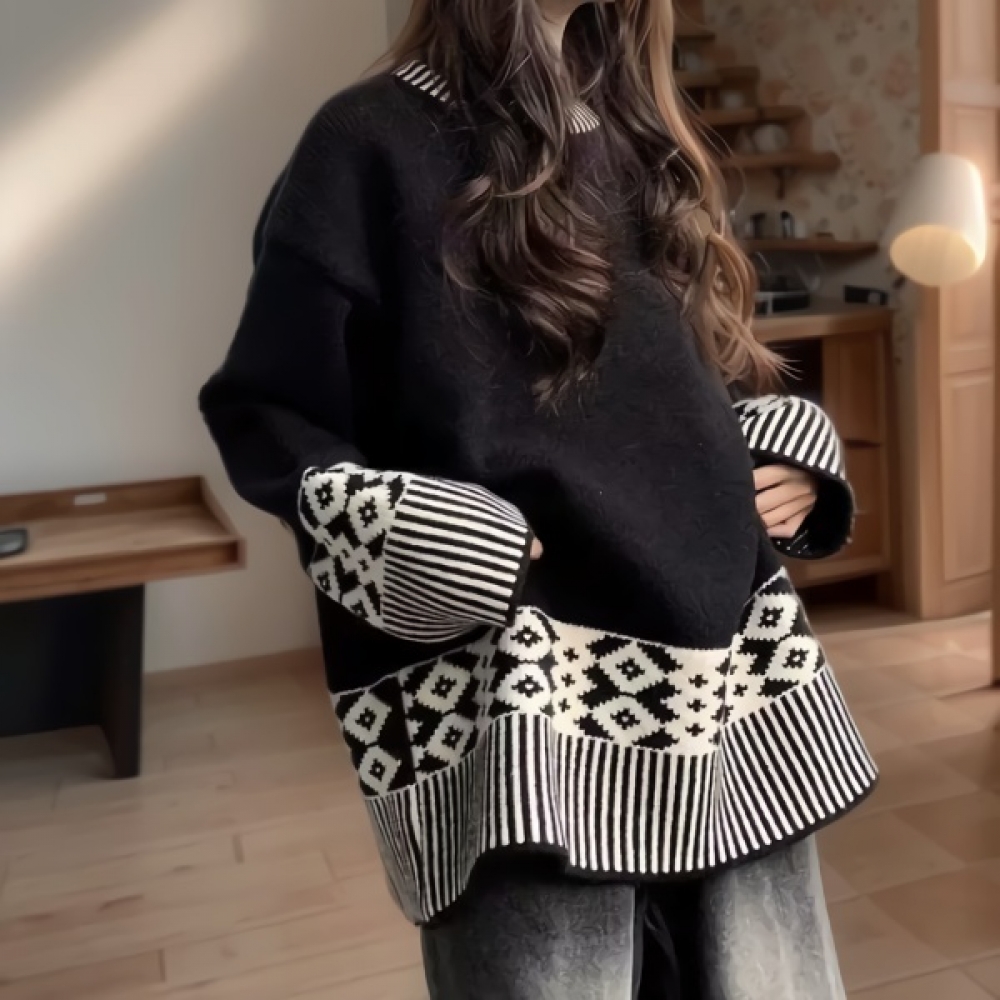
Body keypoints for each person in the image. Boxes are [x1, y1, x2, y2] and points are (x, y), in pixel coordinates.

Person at [200, 1, 876, 996]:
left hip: (724, 675)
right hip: (519, 695)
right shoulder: (366, 142)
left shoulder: (639, 134)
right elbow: (266, 413)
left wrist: (778, 445)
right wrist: (395, 529)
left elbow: (685, 374)